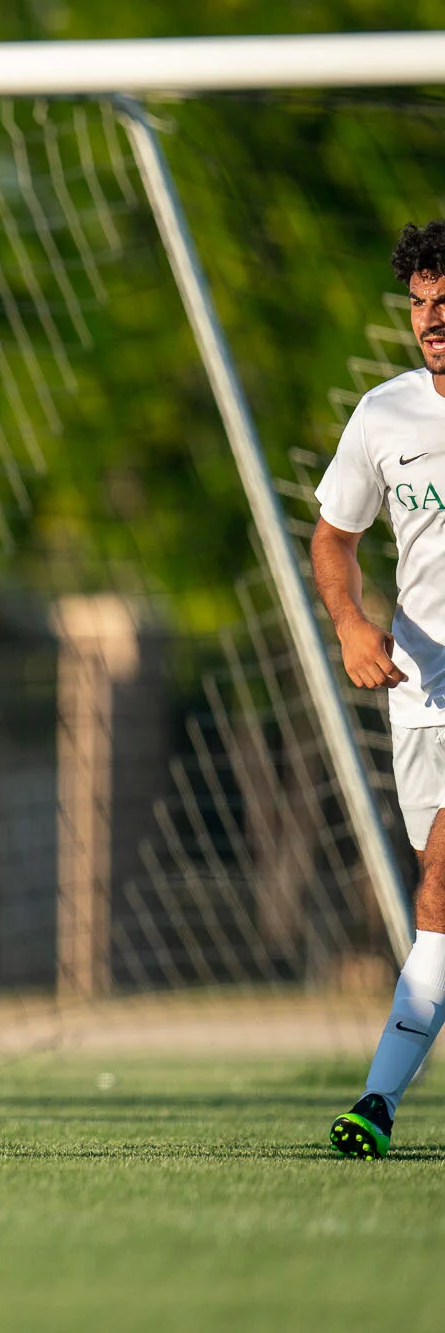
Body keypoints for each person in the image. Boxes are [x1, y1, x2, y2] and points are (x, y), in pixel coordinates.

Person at [317, 219, 445, 1158]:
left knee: (443, 888)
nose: (433, 319)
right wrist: (351, 625)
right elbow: (334, 537)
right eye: (420, 303)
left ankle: (377, 1101)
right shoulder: (384, 415)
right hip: (418, 697)